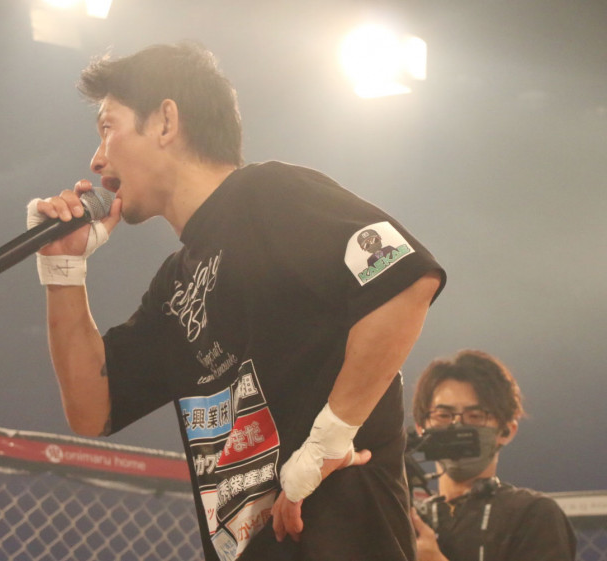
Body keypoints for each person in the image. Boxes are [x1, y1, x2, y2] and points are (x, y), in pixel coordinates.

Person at [28, 41, 446, 561]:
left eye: (107, 127)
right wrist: (62, 269)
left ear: (165, 122)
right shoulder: (173, 285)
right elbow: (93, 410)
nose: (96, 160)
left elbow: (404, 277)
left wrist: (326, 442)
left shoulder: (269, 193)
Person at [409, 350, 576, 561]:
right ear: (421, 428)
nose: (457, 425)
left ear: (506, 431)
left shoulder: (532, 513)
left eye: (475, 416)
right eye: (443, 415)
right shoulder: (408, 519)